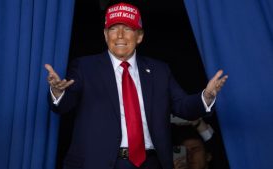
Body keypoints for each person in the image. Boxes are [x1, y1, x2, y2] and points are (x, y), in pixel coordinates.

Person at [44, 1, 228, 169]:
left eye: (128, 28)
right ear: (105, 34)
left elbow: (183, 106)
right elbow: (65, 104)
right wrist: (58, 92)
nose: (120, 35)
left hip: (151, 162)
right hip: (101, 162)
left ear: (139, 36)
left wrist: (206, 97)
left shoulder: (159, 71)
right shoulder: (85, 67)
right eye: (114, 28)